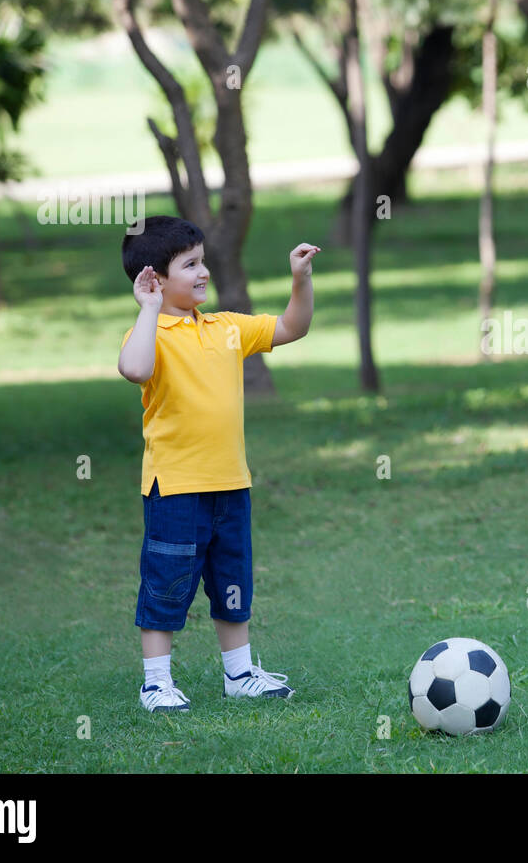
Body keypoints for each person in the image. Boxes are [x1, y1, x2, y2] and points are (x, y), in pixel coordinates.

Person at [118, 215, 319, 713]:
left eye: (203, 261)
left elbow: (293, 327)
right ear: (155, 279)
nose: (203, 272)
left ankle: (239, 673)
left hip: (230, 483)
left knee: (233, 580)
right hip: (176, 488)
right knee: (167, 583)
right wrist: (147, 309)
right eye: (190, 265)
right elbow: (134, 369)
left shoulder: (227, 328)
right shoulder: (149, 335)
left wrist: (300, 280)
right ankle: (156, 683)